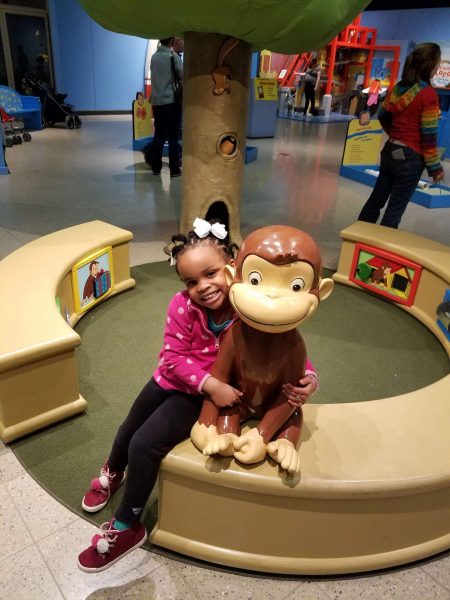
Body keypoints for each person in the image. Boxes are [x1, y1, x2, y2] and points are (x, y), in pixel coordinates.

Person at [77, 219, 319, 572]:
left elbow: (285, 344)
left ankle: (129, 525)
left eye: (211, 274)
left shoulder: (248, 307)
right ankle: (112, 471)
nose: (203, 287)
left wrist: (309, 377)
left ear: (232, 269)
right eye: (191, 281)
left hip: (193, 397)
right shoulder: (181, 306)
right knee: (129, 427)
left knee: (145, 444)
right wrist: (212, 383)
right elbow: (172, 359)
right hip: (171, 380)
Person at [358, 43, 445, 229]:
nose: (438, 68)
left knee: (376, 199)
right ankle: (378, 253)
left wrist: (396, 136)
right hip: (410, 160)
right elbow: (428, 137)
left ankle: (357, 240)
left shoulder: (398, 88)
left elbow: (382, 115)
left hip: (390, 151)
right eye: (437, 64)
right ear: (429, 66)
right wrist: (435, 169)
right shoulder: (428, 95)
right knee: (394, 210)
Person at [148, 37, 183, 178]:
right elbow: (181, 76)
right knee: (173, 136)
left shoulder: (154, 57)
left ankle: (156, 167)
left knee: (159, 136)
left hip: (157, 103)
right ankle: (174, 169)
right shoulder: (172, 56)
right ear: (171, 41)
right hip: (171, 102)